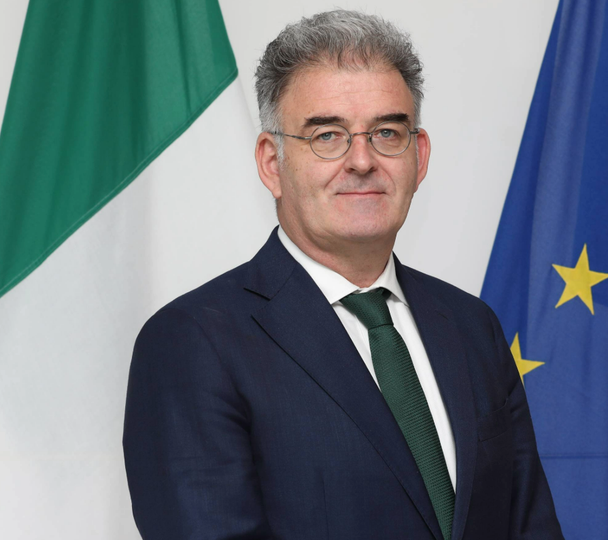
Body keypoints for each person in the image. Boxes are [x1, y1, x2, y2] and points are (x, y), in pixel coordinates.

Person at [123, 10, 563, 540]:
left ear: (418, 156)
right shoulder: (193, 342)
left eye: (386, 132)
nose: (361, 160)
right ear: (271, 162)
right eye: (327, 135)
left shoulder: (472, 326)